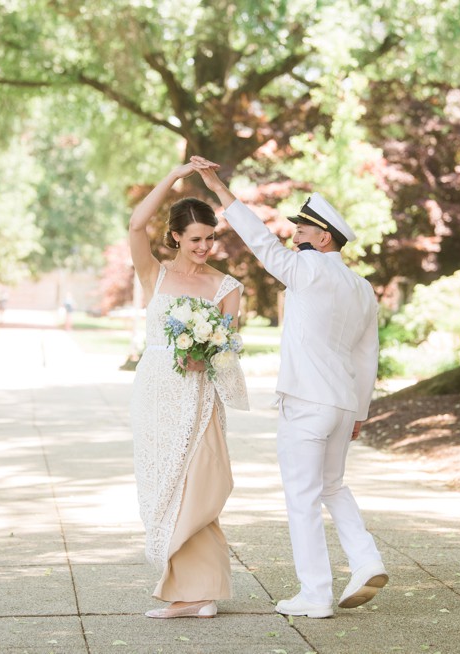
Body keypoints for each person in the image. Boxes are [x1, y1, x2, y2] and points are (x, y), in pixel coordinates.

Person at [191, 156, 387, 619]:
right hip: (341, 405)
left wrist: (218, 188)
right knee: (333, 486)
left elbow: (260, 242)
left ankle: (315, 594)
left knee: (302, 498)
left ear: (323, 238)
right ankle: (366, 560)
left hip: (306, 404)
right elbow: (366, 356)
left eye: (303, 229)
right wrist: (359, 412)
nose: (294, 233)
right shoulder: (361, 287)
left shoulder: (308, 269)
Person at [128, 162, 249, 620]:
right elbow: (137, 223)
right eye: (195, 238)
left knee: (199, 488)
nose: (204, 247)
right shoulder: (153, 274)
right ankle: (192, 593)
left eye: (210, 238)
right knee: (163, 488)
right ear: (176, 236)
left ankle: (198, 593)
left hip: (199, 397)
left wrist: (209, 355)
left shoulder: (225, 286)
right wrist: (176, 175)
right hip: (154, 392)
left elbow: (230, 346)